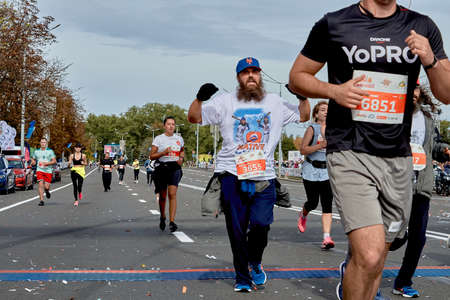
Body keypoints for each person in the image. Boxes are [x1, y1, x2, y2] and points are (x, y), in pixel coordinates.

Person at [289, 1, 450, 299]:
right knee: (371, 254)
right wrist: (334, 91)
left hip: (397, 156)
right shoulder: (335, 23)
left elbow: (446, 93)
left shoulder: (422, 25)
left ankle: (352, 273)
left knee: (376, 260)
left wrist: (430, 59)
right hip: (349, 149)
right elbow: (297, 76)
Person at [187, 57, 310, 292]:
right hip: (232, 174)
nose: (251, 76)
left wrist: (301, 96)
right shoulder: (225, 102)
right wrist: (200, 99)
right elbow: (194, 117)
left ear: (260, 76)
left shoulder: (274, 101)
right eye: (246, 72)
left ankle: (254, 261)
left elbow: (304, 116)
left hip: (264, 176)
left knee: (262, 224)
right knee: (236, 229)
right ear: (238, 78)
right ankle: (242, 277)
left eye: (255, 71)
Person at [393, 82, 449, 298]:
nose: (412, 94)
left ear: (420, 92)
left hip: (420, 185)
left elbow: (433, 146)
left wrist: (444, 150)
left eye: (415, 89)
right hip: (394, 184)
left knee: (418, 238)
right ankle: (365, 279)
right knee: (389, 237)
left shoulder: (426, 118)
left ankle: (403, 282)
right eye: (408, 89)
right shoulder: (392, 115)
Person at [297, 101, 335, 250]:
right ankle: (304, 213)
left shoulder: (335, 130)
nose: (326, 112)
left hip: (327, 172)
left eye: (328, 110)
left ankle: (326, 237)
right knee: (312, 202)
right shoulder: (312, 129)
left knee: (327, 204)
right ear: (316, 114)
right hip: (311, 170)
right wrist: (320, 145)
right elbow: (303, 150)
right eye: (323, 110)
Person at [150, 117, 185, 233]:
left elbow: (182, 150)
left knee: (172, 194)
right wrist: (164, 152)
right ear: (164, 126)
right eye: (169, 124)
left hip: (174, 168)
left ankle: (172, 221)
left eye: (173, 124)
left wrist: (181, 158)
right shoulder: (159, 139)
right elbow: (152, 156)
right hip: (162, 168)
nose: (171, 126)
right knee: (163, 195)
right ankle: (162, 216)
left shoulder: (179, 138)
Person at [31, 138, 56, 206]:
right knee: (40, 184)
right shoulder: (36, 151)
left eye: (44, 142)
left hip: (48, 170)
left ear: (46, 143)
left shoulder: (50, 151)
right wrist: (33, 162)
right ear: (40, 143)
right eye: (42, 142)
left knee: (46, 187)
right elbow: (33, 159)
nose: (43, 144)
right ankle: (41, 200)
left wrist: (46, 163)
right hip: (40, 170)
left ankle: (47, 191)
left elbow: (54, 161)